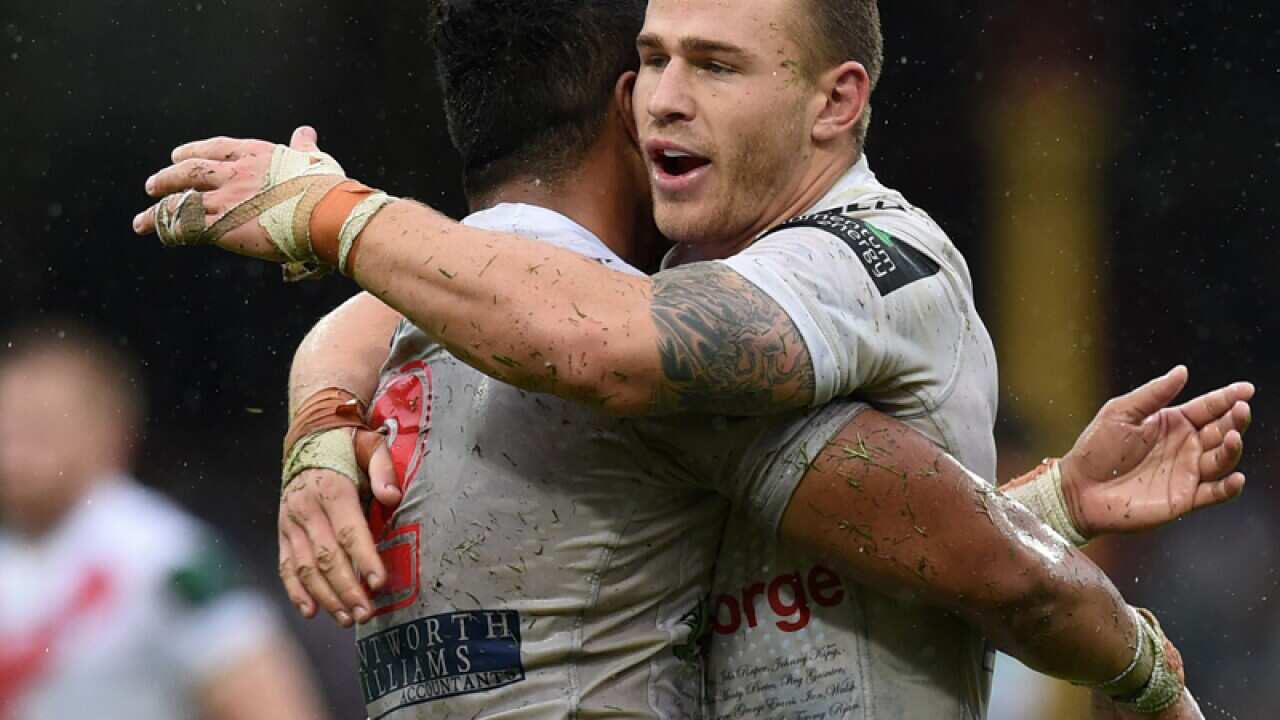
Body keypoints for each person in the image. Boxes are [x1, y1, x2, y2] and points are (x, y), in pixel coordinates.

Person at [133, 1, 1251, 717]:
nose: (669, 97)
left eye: (714, 66)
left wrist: (332, 214)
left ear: (836, 100)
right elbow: (917, 546)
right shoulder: (565, 306)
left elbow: (611, 342)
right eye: (656, 59)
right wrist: (321, 421)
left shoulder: (862, 253)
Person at [0, 322, 328, 720]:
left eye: (38, 427)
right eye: (6, 429)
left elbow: (274, 708)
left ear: (109, 430)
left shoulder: (165, 557)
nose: (13, 451)